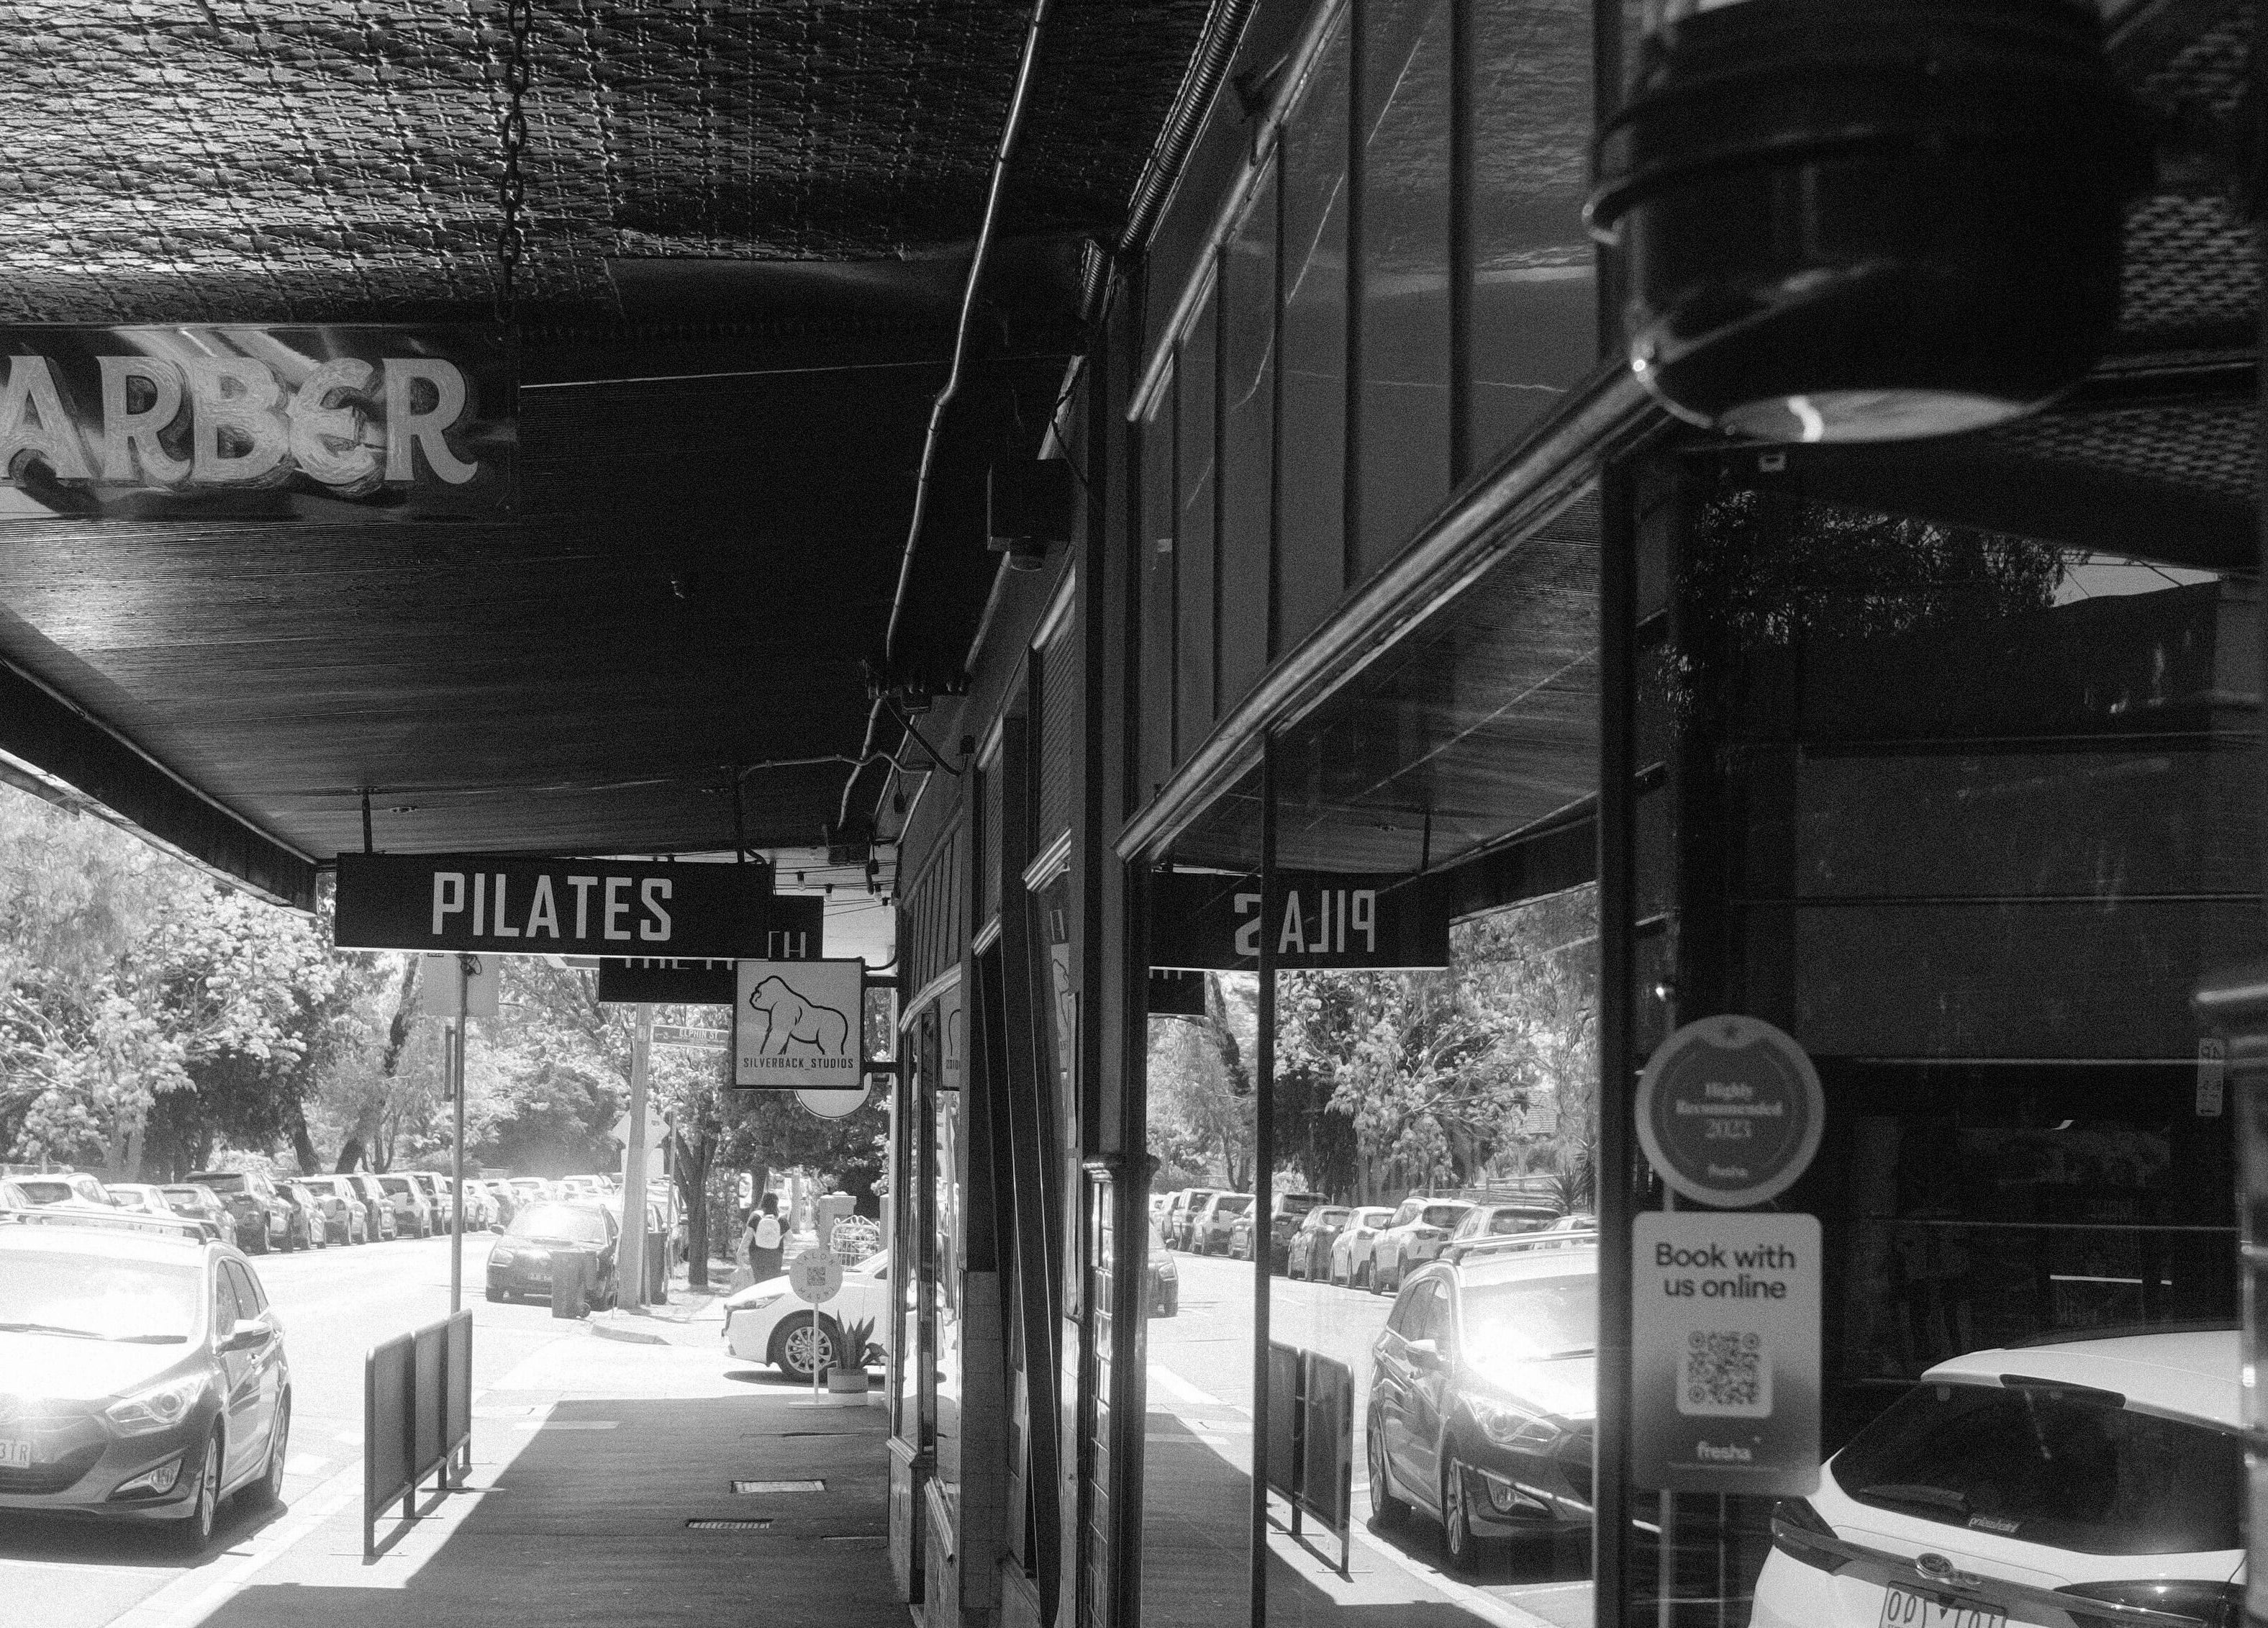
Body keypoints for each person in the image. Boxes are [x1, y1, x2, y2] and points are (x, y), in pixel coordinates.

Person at [745, 1193, 785, 1283]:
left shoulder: (755, 1216)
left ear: (762, 1203)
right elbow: (790, 1238)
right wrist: (779, 1239)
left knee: (759, 1281)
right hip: (775, 1254)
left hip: (757, 1254)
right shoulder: (781, 1219)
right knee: (773, 1282)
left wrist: (740, 1253)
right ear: (777, 1203)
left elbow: (748, 1237)